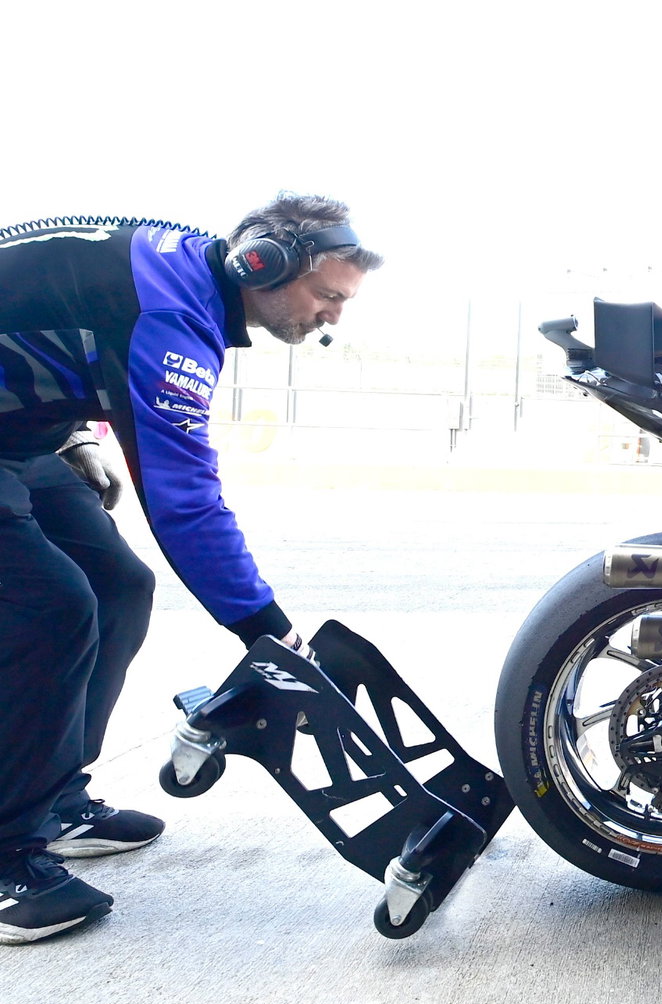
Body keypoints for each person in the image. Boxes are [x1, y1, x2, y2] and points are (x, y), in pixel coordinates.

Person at [0, 194, 383, 944]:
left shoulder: (178, 277)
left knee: (118, 584)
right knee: (50, 607)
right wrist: (267, 635)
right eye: (328, 296)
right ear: (263, 263)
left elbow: (45, 310)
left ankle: (47, 799)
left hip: (20, 438)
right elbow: (183, 504)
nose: (333, 316)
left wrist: (74, 432)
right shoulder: (168, 317)